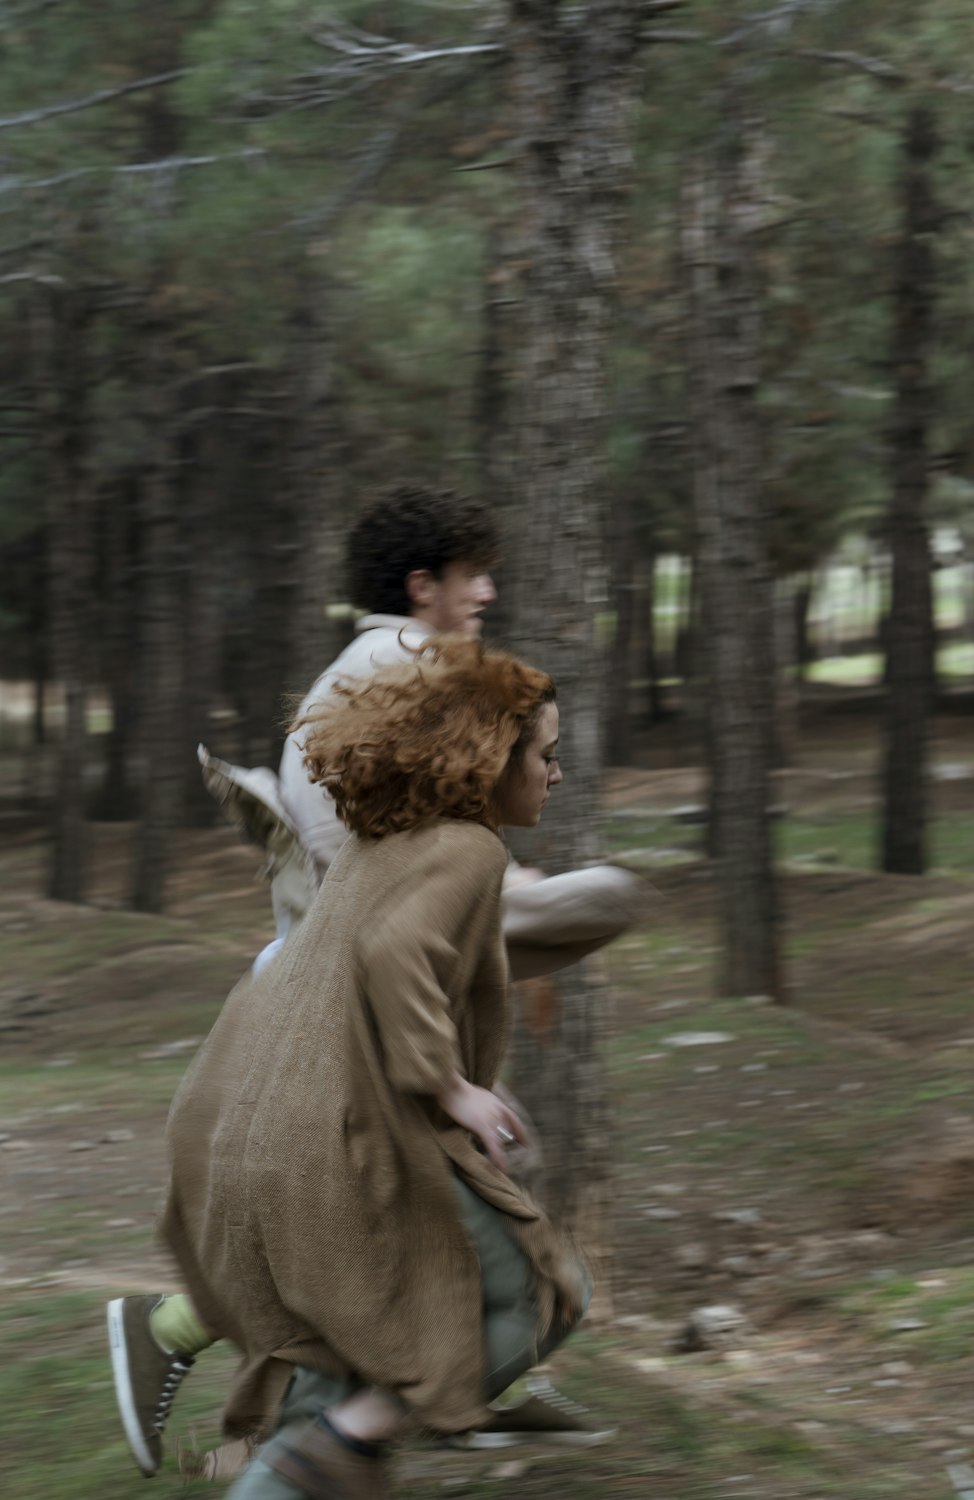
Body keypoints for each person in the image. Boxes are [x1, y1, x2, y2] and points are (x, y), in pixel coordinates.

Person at [107, 483, 638, 1477]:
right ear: (421, 583)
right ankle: (304, 1428)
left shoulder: (353, 678)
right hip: (350, 1029)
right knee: (480, 1259)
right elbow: (394, 921)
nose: (486, 592)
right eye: (470, 574)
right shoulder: (413, 671)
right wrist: (451, 1067)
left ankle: (326, 1415)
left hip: (309, 1008)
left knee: (423, 1216)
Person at [157, 638, 589, 1500]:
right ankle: (325, 1454)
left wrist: (457, 1081)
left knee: (361, 1338)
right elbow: (397, 956)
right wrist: (450, 1085)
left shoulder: (375, 844)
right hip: (337, 1150)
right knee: (543, 1293)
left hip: (260, 1143)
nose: (556, 774)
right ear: (490, 761)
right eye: (545, 755)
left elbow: (332, 982)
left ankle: (322, 1454)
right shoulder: (470, 849)